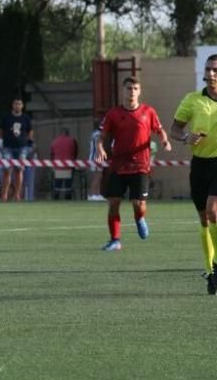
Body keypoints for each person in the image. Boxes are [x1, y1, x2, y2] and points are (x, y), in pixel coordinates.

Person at [96, 77, 171, 251]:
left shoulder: (148, 112)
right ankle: (115, 240)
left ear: (140, 91)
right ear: (123, 90)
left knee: (138, 205)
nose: (132, 91)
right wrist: (100, 149)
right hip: (118, 165)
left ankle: (139, 218)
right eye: (129, 88)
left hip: (141, 166)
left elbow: (160, 130)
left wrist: (164, 141)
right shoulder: (113, 113)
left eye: (135, 88)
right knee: (114, 202)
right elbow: (102, 137)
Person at [171, 54, 217, 293]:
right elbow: (174, 129)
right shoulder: (193, 100)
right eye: (208, 69)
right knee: (204, 220)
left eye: (215, 70)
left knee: (213, 211)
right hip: (199, 165)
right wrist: (186, 137)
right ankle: (210, 270)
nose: (210, 74)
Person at [0, 98, 33, 201]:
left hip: (22, 146)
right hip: (8, 147)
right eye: (15, 104)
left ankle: (17, 195)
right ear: (12, 105)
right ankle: (4, 195)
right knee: (7, 170)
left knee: (19, 171)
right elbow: (1, 130)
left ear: (22, 106)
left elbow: (30, 130)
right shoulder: (6, 117)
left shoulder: (26, 118)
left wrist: (29, 142)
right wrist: (3, 141)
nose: (17, 106)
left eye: (19, 104)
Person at [50, 128, 79, 200]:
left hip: (58, 167)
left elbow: (52, 155)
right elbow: (75, 153)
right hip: (69, 167)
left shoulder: (54, 141)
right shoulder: (72, 140)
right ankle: (68, 199)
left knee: (57, 184)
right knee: (68, 185)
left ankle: (56, 199)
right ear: (68, 133)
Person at [88, 118, 105, 201]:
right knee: (96, 176)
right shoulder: (98, 135)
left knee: (99, 176)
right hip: (95, 158)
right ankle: (91, 194)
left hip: (96, 157)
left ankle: (97, 194)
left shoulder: (94, 133)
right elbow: (98, 147)